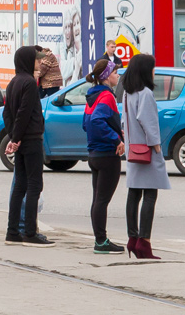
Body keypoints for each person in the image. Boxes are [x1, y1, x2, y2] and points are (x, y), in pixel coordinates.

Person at [2, 46, 52, 246]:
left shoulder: (13, 82)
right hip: (31, 139)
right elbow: (24, 112)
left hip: (22, 140)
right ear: (27, 61)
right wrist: (18, 137)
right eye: (36, 59)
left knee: (20, 185)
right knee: (34, 185)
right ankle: (30, 233)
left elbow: (8, 113)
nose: (39, 62)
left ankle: (12, 231)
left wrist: (13, 138)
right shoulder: (29, 83)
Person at [123, 53, 170, 260]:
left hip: (133, 150)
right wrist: (157, 147)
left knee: (134, 193)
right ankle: (144, 242)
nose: (154, 71)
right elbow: (148, 122)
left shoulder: (127, 93)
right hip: (147, 151)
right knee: (150, 194)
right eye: (152, 67)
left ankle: (132, 239)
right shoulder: (146, 93)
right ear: (145, 70)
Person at [82, 58, 125, 254]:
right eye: (115, 72)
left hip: (94, 154)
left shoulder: (92, 96)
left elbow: (86, 124)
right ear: (107, 76)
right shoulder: (106, 97)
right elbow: (98, 121)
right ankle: (101, 241)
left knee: (97, 199)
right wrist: (116, 139)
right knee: (102, 200)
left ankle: (100, 239)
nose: (118, 75)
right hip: (108, 154)